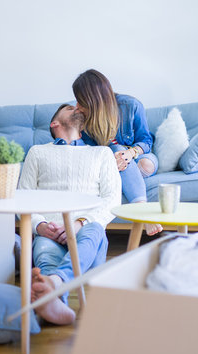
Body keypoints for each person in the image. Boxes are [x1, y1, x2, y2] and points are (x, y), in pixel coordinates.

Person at [18, 103, 121, 325]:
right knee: (45, 255)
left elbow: (112, 200)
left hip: (87, 234)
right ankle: (55, 302)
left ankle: (55, 283)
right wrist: (40, 226)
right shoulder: (37, 152)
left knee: (94, 230)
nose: (76, 107)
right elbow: (23, 198)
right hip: (50, 232)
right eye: (68, 107)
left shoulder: (101, 153)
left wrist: (79, 223)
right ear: (54, 123)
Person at [72, 69, 162, 236]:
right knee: (115, 150)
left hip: (138, 154)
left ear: (92, 99)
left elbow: (146, 141)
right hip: (112, 160)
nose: (77, 105)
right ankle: (142, 211)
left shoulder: (131, 105)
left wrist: (131, 153)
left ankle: (124, 176)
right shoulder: (83, 116)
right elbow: (86, 150)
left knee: (146, 165)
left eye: (80, 101)